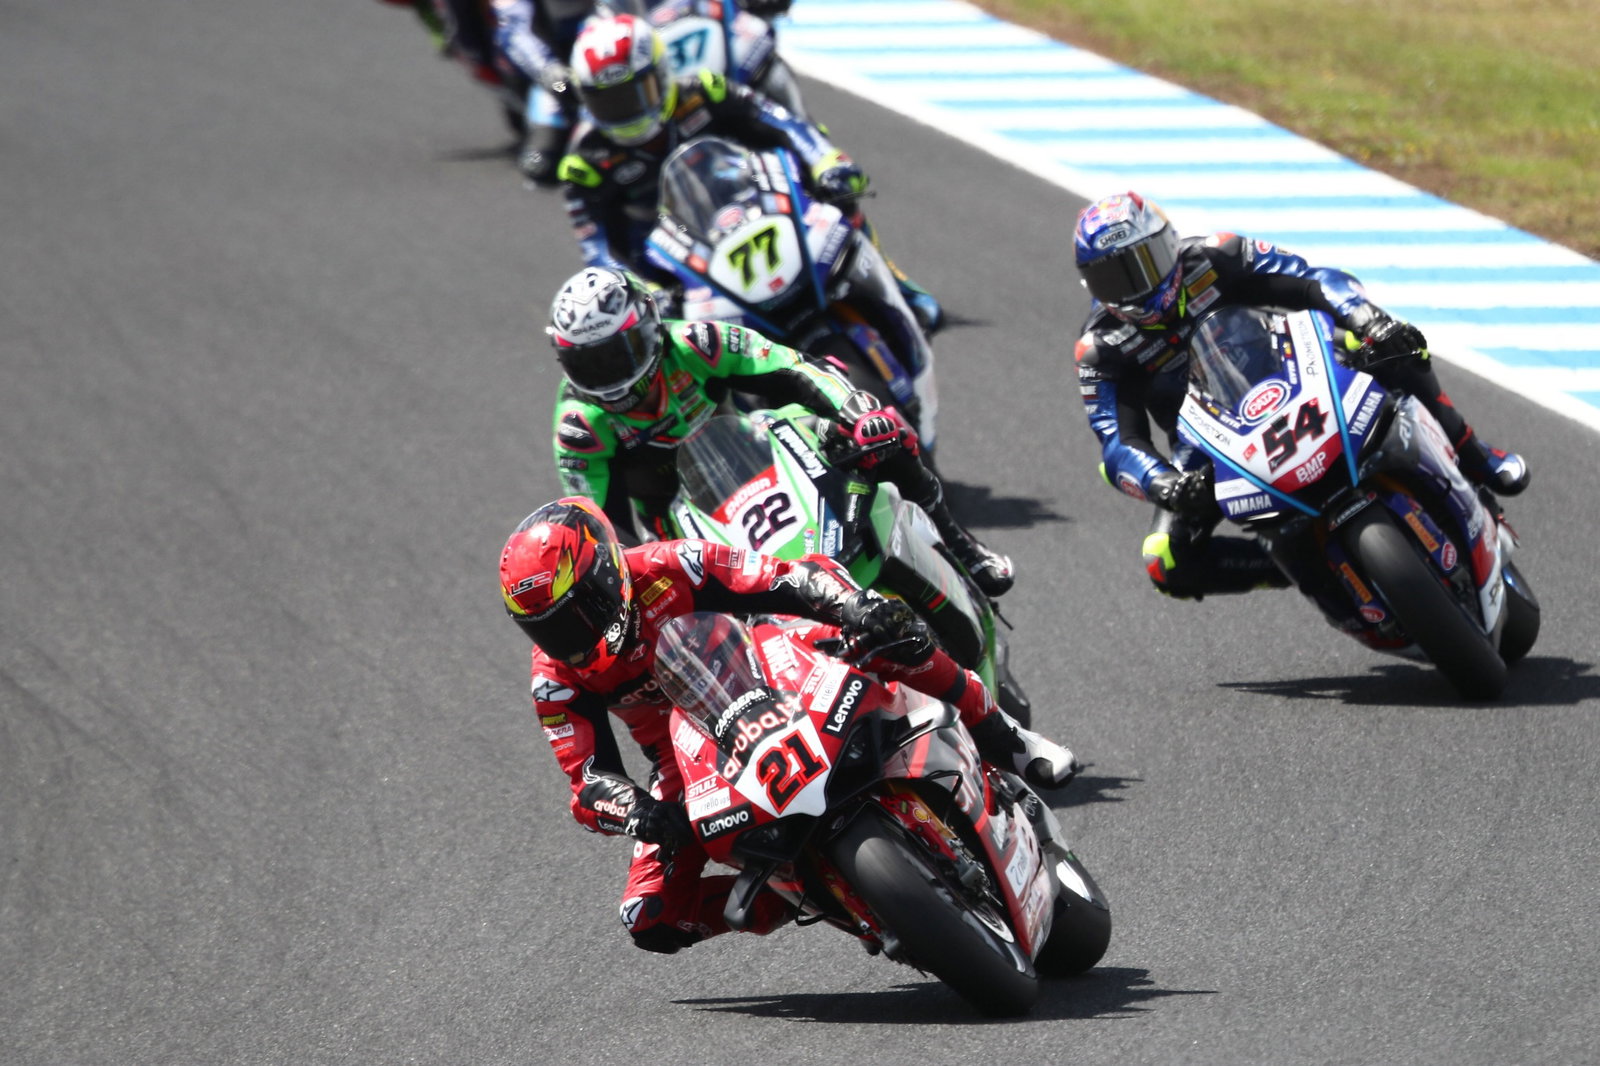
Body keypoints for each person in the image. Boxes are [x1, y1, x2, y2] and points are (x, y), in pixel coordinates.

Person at [498, 496, 1078, 954]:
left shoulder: (673, 564)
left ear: (608, 570)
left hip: (770, 660)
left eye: (580, 611)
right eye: (549, 628)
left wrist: (852, 607)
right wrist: (641, 813)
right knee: (650, 917)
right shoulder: (555, 679)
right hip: (684, 753)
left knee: (888, 634)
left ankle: (1007, 737)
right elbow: (588, 779)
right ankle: (804, 893)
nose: (570, 639)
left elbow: (781, 578)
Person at [1071, 191, 1531, 602]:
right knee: (1165, 560)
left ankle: (1473, 456)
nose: (1141, 285)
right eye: (1119, 277)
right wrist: (1163, 483)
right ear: (1092, 286)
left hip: (1301, 372)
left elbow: (1314, 280)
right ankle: (1299, 566)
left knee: (1391, 346)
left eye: (1147, 262)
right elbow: (1117, 445)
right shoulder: (1101, 349)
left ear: (1169, 245)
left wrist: (1365, 319)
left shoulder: (1219, 255)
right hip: (1210, 445)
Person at [546, 266, 1014, 596]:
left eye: (616, 354)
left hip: (757, 455)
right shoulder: (580, 427)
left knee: (882, 432)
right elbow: (603, 530)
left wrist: (854, 409)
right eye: (588, 363)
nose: (608, 376)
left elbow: (792, 367)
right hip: (675, 523)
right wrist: (641, 574)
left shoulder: (696, 343)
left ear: (648, 328)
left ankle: (960, 545)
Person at [555, 10, 944, 333]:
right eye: (607, 102)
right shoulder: (584, 162)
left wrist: (826, 161)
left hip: (751, 206)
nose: (625, 112)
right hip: (672, 266)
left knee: (836, 200)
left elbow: (780, 121)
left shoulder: (705, 91)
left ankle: (898, 290)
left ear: (661, 74)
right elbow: (597, 249)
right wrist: (646, 290)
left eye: (633, 95)